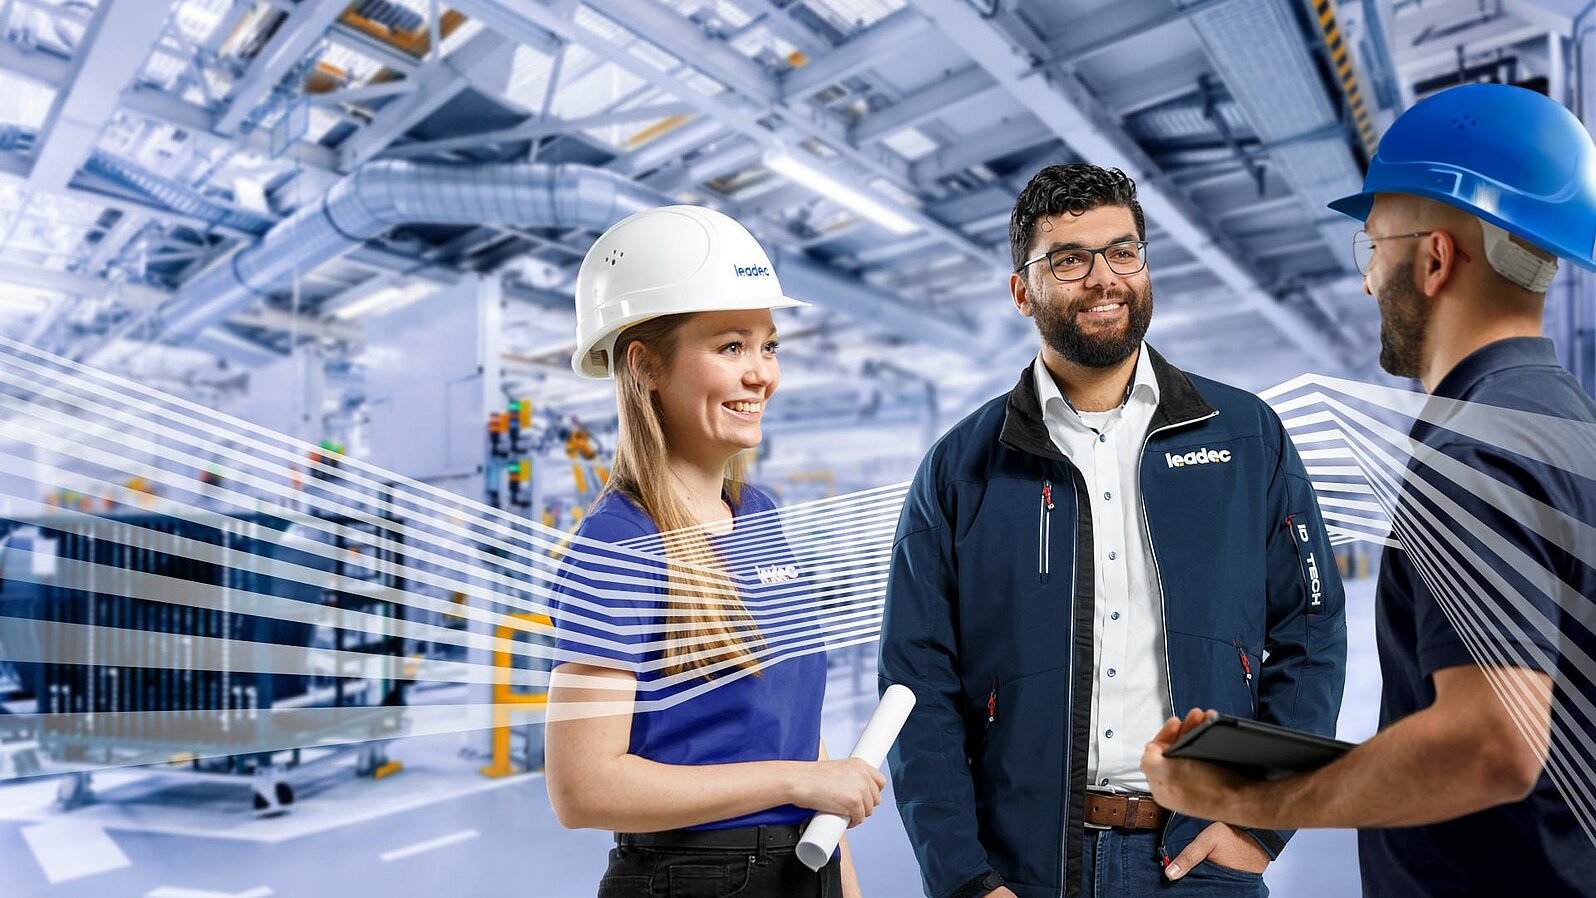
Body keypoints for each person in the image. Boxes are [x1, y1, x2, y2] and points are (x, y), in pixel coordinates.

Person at [1141, 82, 1596, 896]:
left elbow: (1494, 744)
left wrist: (1252, 791)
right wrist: (1269, 753)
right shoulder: (1563, 423)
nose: (1365, 282)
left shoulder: (1476, 453)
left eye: (1372, 248)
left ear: (1432, 259)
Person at [878, 163, 1347, 898]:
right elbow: (917, 683)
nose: (1105, 278)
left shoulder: (1246, 435)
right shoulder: (959, 471)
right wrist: (962, 877)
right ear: (1022, 291)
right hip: (1026, 870)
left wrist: (1261, 819)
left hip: (1200, 862)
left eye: (1123, 251)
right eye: (1069, 259)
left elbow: (1309, 631)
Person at [544, 204, 884, 898]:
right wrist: (801, 781)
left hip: (801, 869)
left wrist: (844, 884)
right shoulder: (619, 543)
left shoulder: (759, 515)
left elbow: (798, 734)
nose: (763, 374)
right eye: (731, 347)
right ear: (646, 368)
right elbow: (582, 786)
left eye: (769, 345)